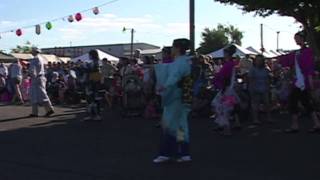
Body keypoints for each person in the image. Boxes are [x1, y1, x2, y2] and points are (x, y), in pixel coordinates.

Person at [153, 38, 192, 163]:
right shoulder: (184, 61)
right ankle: (183, 152)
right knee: (181, 125)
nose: (172, 49)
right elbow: (171, 69)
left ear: (178, 48)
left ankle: (166, 152)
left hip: (175, 96)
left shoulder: (179, 63)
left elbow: (174, 75)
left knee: (169, 124)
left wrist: (164, 85)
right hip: (183, 96)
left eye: (174, 47)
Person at [278, 31, 320, 133]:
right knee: (304, 102)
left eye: (297, 38)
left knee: (295, 101)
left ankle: (296, 125)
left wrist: (310, 81)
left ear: (302, 39)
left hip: (302, 82)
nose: (295, 40)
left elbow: (309, 67)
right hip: (299, 81)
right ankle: (315, 123)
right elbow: (287, 61)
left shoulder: (307, 51)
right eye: (295, 38)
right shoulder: (298, 52)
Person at [212, 45, 239, 136]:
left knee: (223, 108)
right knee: (219, 105)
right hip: (227, 88)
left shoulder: (228, 64)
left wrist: (223, 88)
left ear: (227, 54)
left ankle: (227, 129)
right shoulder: (230, 63)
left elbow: (226, 78)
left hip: (226, 89)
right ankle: (222, 125)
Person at [29, 48, 54, 117]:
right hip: (40, 77)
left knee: (39, 94)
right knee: (39, 94)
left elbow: (32, 70)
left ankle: (48, 109)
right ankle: (36, 111)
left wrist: (32, 75)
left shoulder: (35, 59)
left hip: (37, 78)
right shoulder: (40, 59)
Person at [248, 55, 271, 124]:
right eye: (258, 60)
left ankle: (268, 118)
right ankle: (256, 119)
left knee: (267, 104)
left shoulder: (265, 69)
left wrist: (268, 87)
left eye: (260, 60)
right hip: (255, 88)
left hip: (264, 88)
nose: (259, 62)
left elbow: (267, 78)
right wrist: (252, 89)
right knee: (255, 105)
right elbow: (250, 79)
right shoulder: (252, 69)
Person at [85, 50, 102, 121]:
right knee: (90, 99)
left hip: (94, 82)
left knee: (95, 99)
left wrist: (86, 68)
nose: (89, 56)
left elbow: (95, 73)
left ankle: (97, 115)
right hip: (91, 82)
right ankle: (92, 115)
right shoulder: (93, 62)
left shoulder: (96, 62)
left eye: (90, 54)